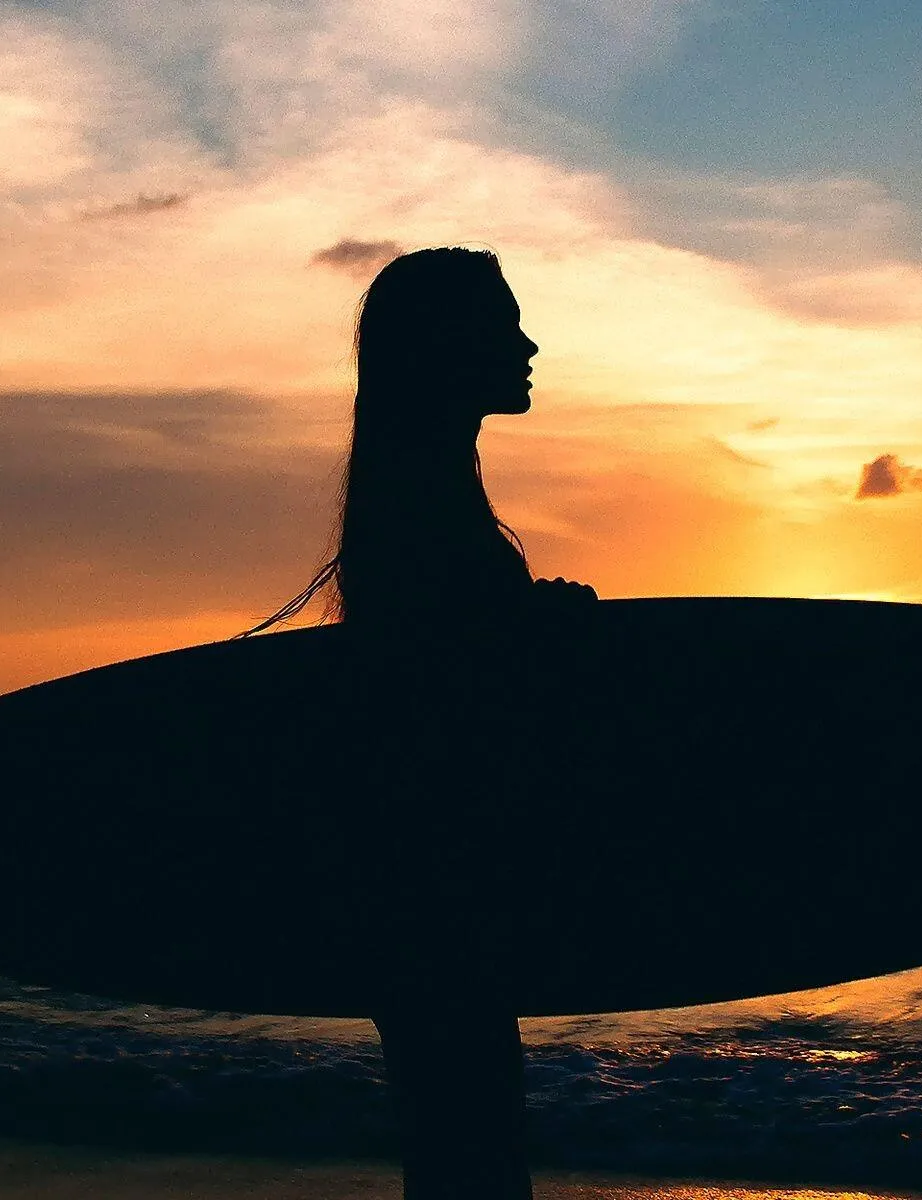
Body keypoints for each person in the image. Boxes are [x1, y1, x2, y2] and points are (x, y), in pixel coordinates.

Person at [247, 246, 593, 1200]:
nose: (528, 344)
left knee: (458, 1148)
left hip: (423, 898)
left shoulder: (417, 509)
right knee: (472, 1153)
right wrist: (537, 633)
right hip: (440, 900)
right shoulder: (427, 525)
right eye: (503, 325)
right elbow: (449, 708)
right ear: (446, 347)